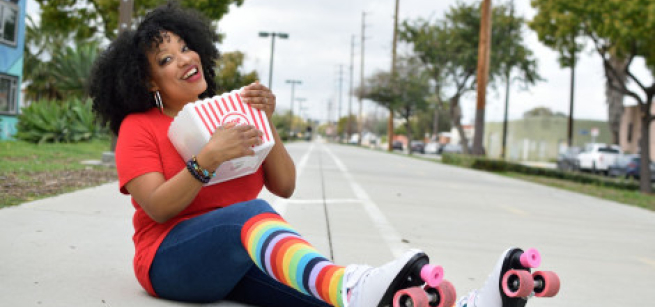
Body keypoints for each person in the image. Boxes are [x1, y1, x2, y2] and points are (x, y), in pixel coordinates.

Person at [90, 2, 556, 307]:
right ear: (148, 80)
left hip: (240, 259)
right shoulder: (141, 128)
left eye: (186, 46)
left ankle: (465, 301)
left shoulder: (231, 112)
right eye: (167, 59)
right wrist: (208, 158)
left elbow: (285, 184)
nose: (186, 58)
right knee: (253, 214)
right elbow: (157, 206)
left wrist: (264, 126)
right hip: (170, 263)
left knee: (327, 298)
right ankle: (357, 283)